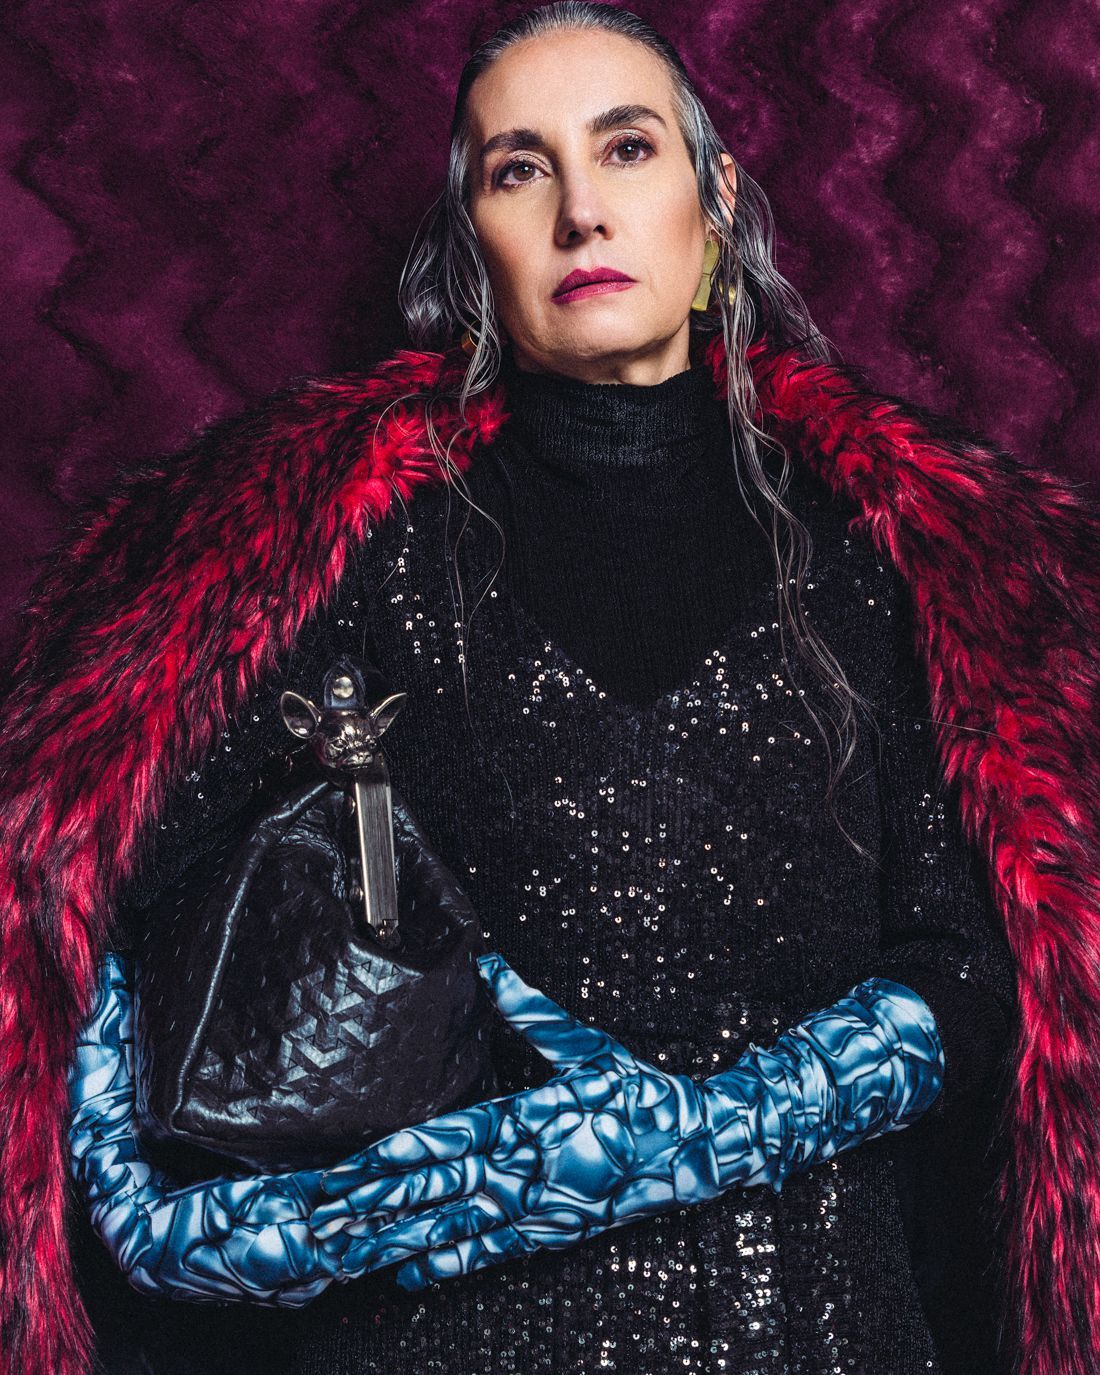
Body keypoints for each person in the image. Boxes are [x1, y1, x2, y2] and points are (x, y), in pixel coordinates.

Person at [2, 5, 1099, 1374]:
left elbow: (977, 967)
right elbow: (76, 894)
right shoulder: (339, 552)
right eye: (519, 169)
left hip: (821, 1327)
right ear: (475, 242)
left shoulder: (895, 556)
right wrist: (209, 1225)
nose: (582, 211)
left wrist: (693, 1136)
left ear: (716, 201)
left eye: (627, 148)